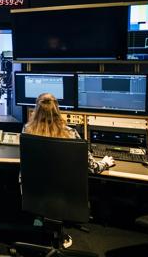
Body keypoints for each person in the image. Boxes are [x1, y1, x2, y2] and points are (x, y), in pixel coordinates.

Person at [23, 93, 115, 249]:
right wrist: (105, 163)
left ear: (35, 111)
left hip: (34, 194)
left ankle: (42, 223)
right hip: (67, 196)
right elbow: (92, 168)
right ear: (58, 110)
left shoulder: (26, 131)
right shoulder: (71, 134)